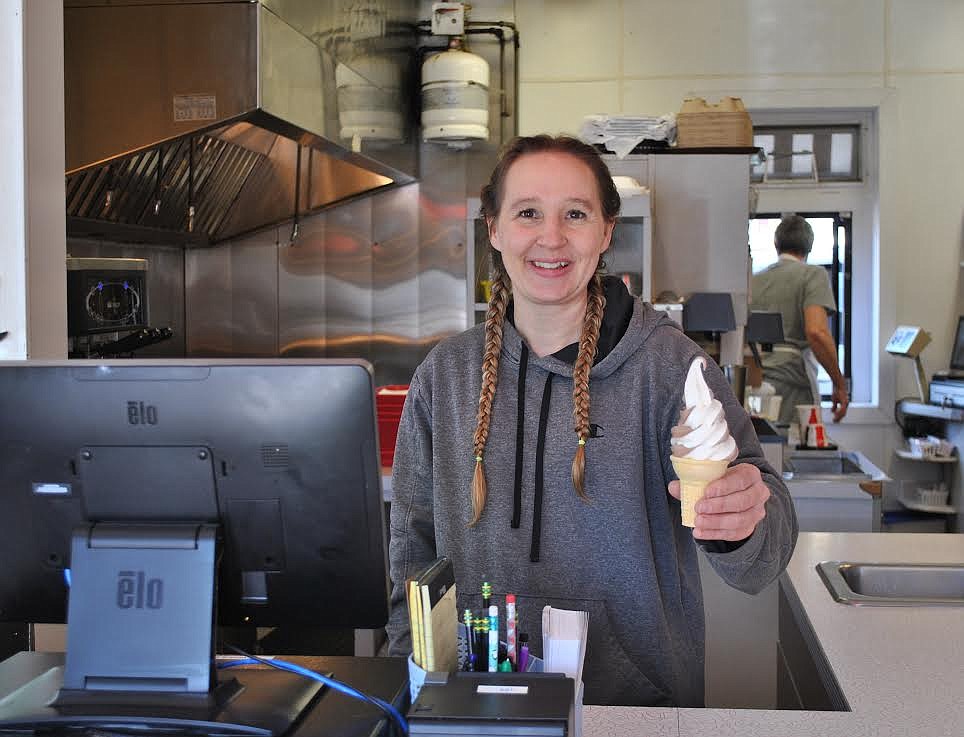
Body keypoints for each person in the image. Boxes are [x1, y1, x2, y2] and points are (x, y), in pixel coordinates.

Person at [386, 135, 797, 707]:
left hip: (635, 710)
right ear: (495, 229)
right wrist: (415, 679)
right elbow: (412, 549)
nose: (550, 238)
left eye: (574, 214)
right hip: (476, 704)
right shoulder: (445, 377)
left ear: (606, 232)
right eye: (528, 212)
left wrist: (744, 521)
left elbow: (764, 558)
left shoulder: (673, 369)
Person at [750, 215, 849, 424]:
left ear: (776, 244)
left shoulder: (755, 280)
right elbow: (817, 332)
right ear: (809, 247)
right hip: (791, 383)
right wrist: (839, 384)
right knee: (787, 450)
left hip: (755, 382)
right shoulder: (813, 275)